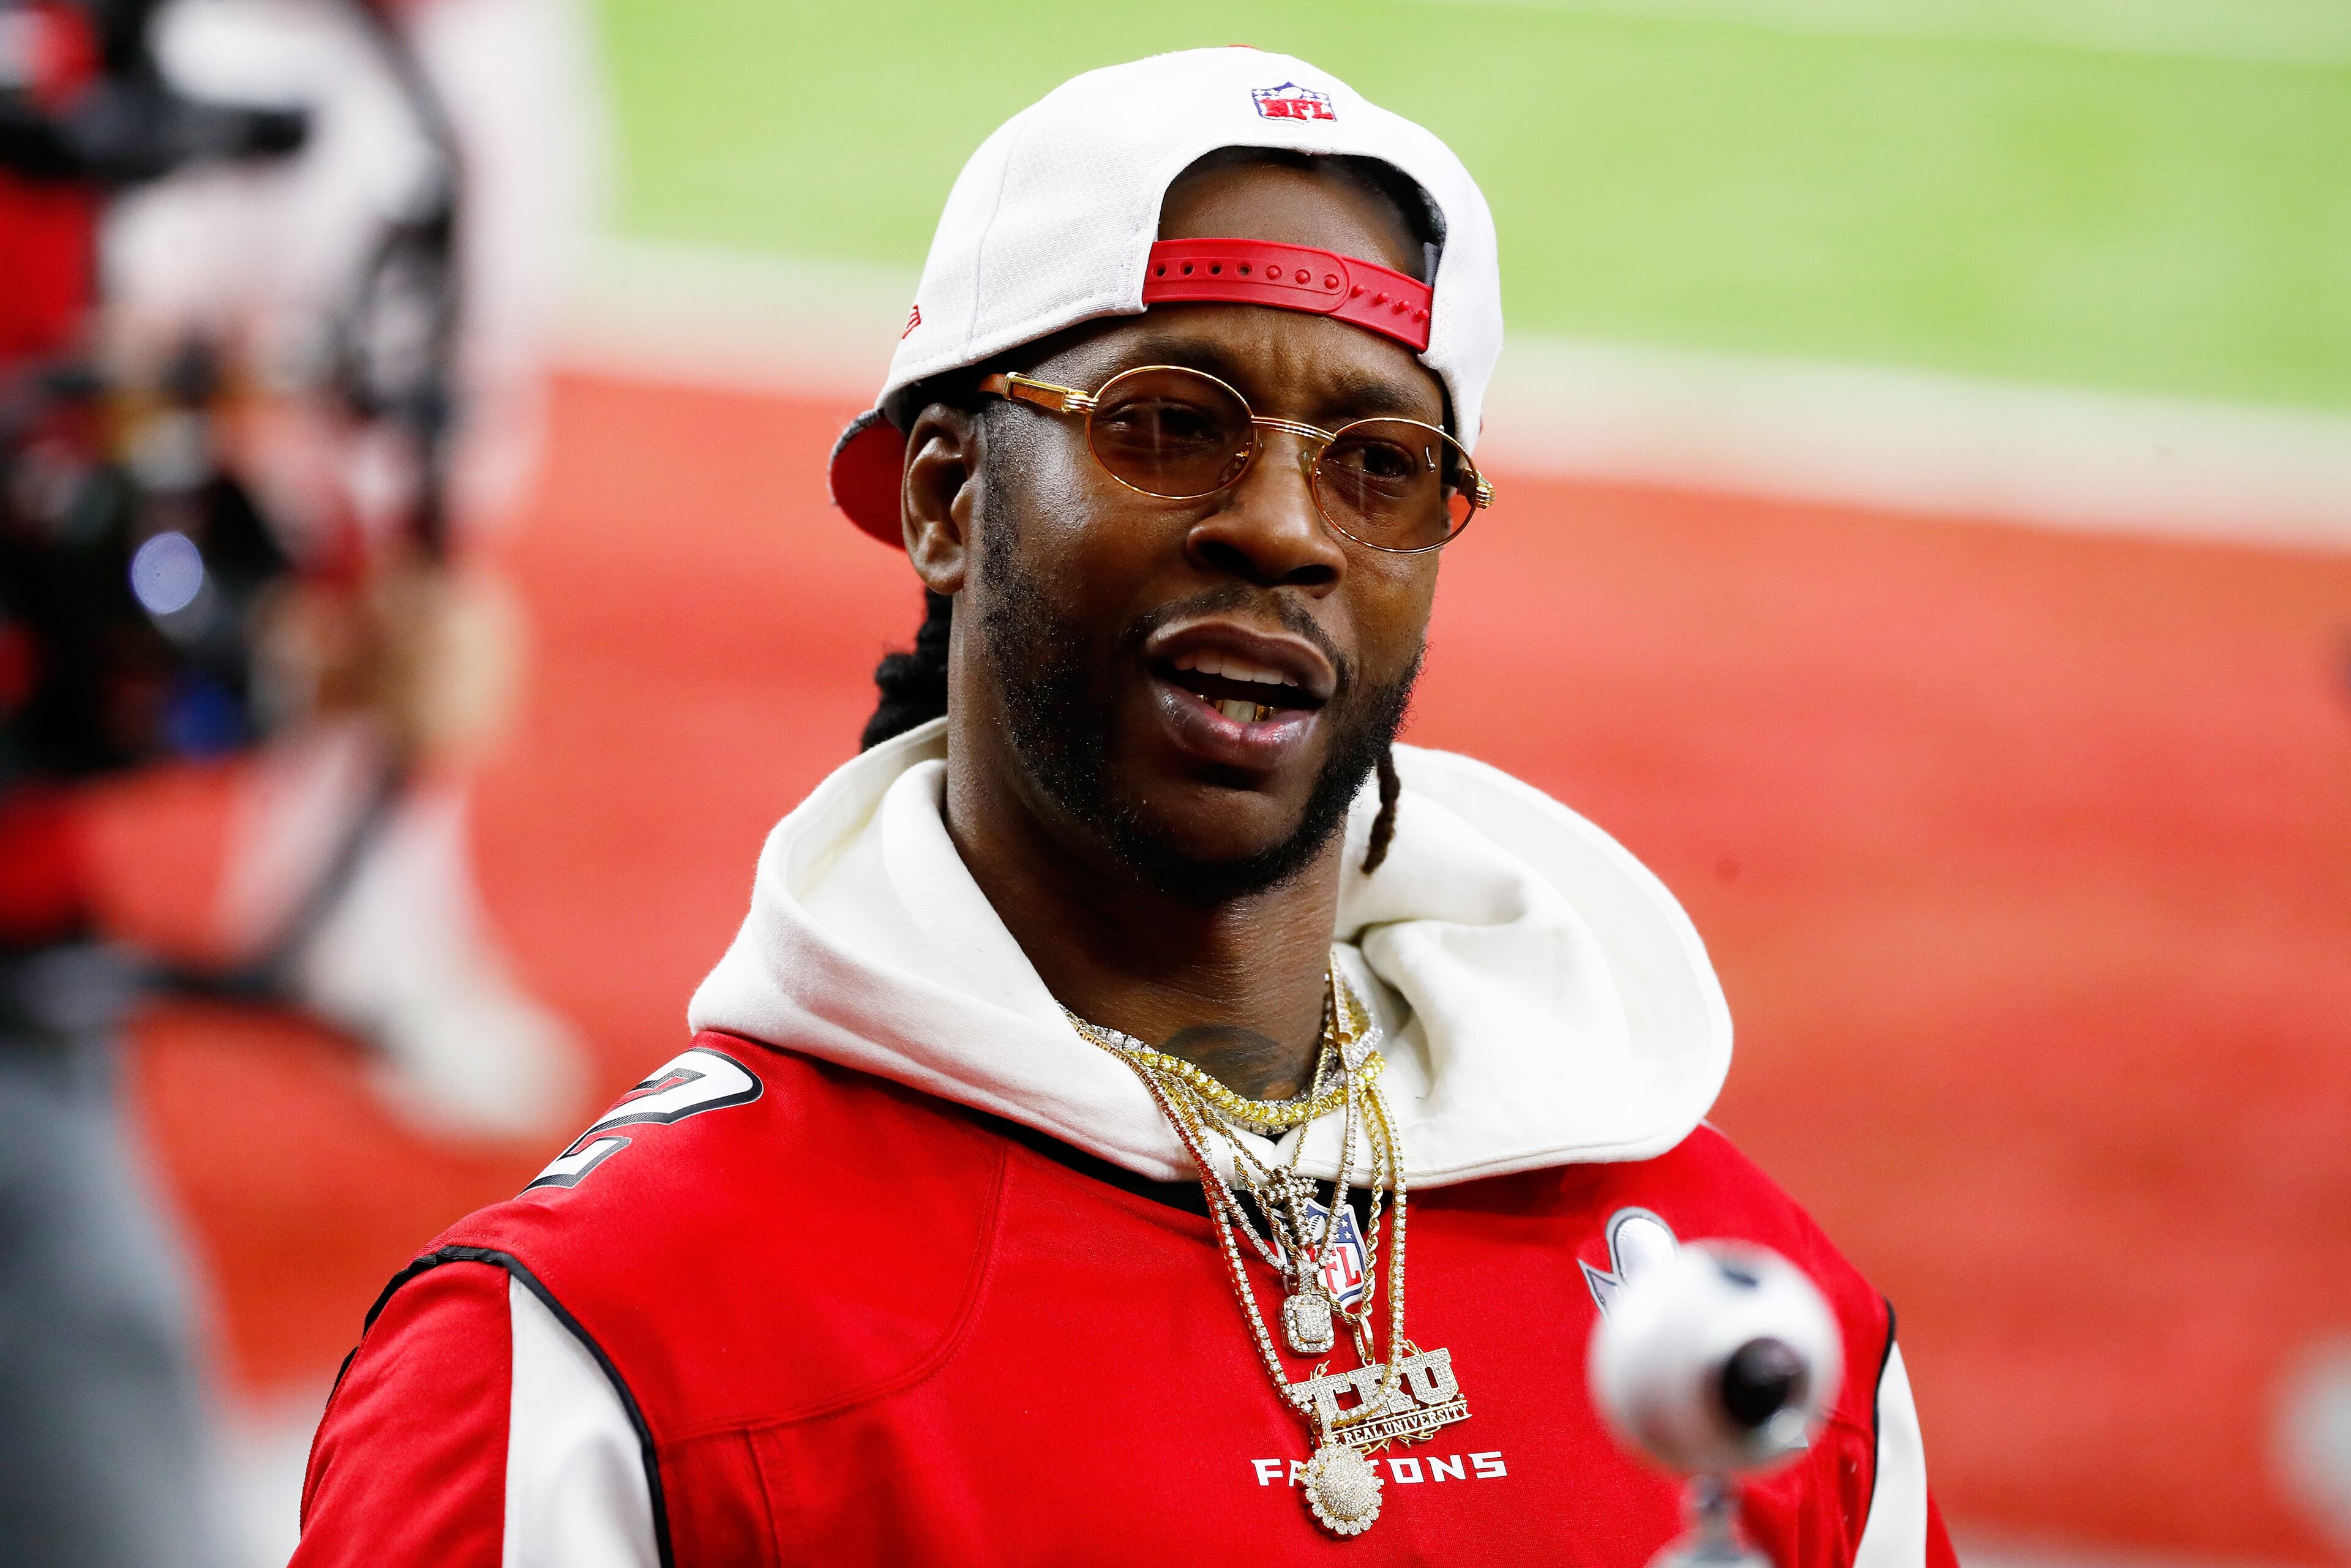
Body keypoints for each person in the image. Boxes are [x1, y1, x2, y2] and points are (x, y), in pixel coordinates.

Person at [290, 50, 1962, 1565]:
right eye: (1169, 425)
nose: (1288, 530)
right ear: (947, 496)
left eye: (1380, 462)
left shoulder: (1748, 1306)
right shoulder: (606, 1351)